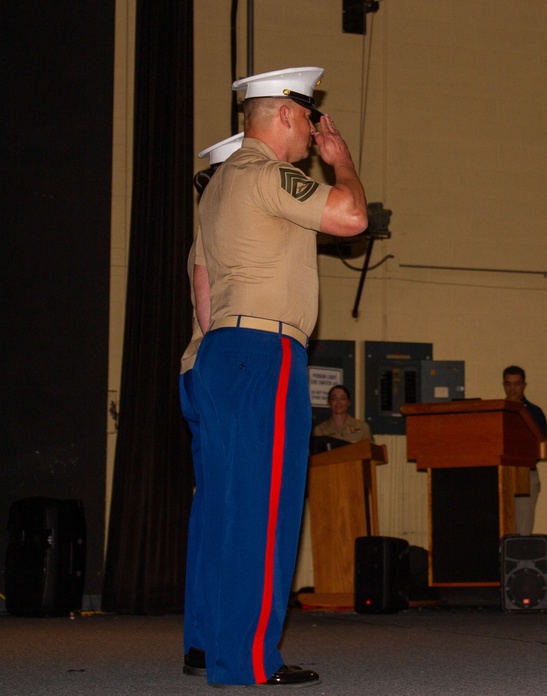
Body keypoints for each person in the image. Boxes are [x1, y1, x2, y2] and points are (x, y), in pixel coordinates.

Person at [186, 66, 367, 687]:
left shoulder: (218, 187)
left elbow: (204, 296)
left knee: (229, 509)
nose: (314, 133)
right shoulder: (266, 173)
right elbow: (351, 218)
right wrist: (342, 163)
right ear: (286, 115)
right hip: (265, 351)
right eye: (310, 118)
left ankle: (216, 647)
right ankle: (252, 661)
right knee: (266, 513)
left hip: (223, 349)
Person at [179, 133, 243, 679]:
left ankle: (201, 637)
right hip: (220, 368)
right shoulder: (222, 231)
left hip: (198, 371)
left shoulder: (209, 229)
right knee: (230, 508)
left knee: (212, 506)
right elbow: (211, 317)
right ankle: (219, 636)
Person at [502, 365, 547, 534]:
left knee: (523, 527)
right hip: (503, 473)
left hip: (525, 473)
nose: (512, 388)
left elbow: (540, 442)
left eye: (516, 384)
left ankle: (521, 560)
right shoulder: (499, 410)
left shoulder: (534, 412)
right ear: (503, 385)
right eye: (508, 384)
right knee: (503, 524)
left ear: (524, 385)